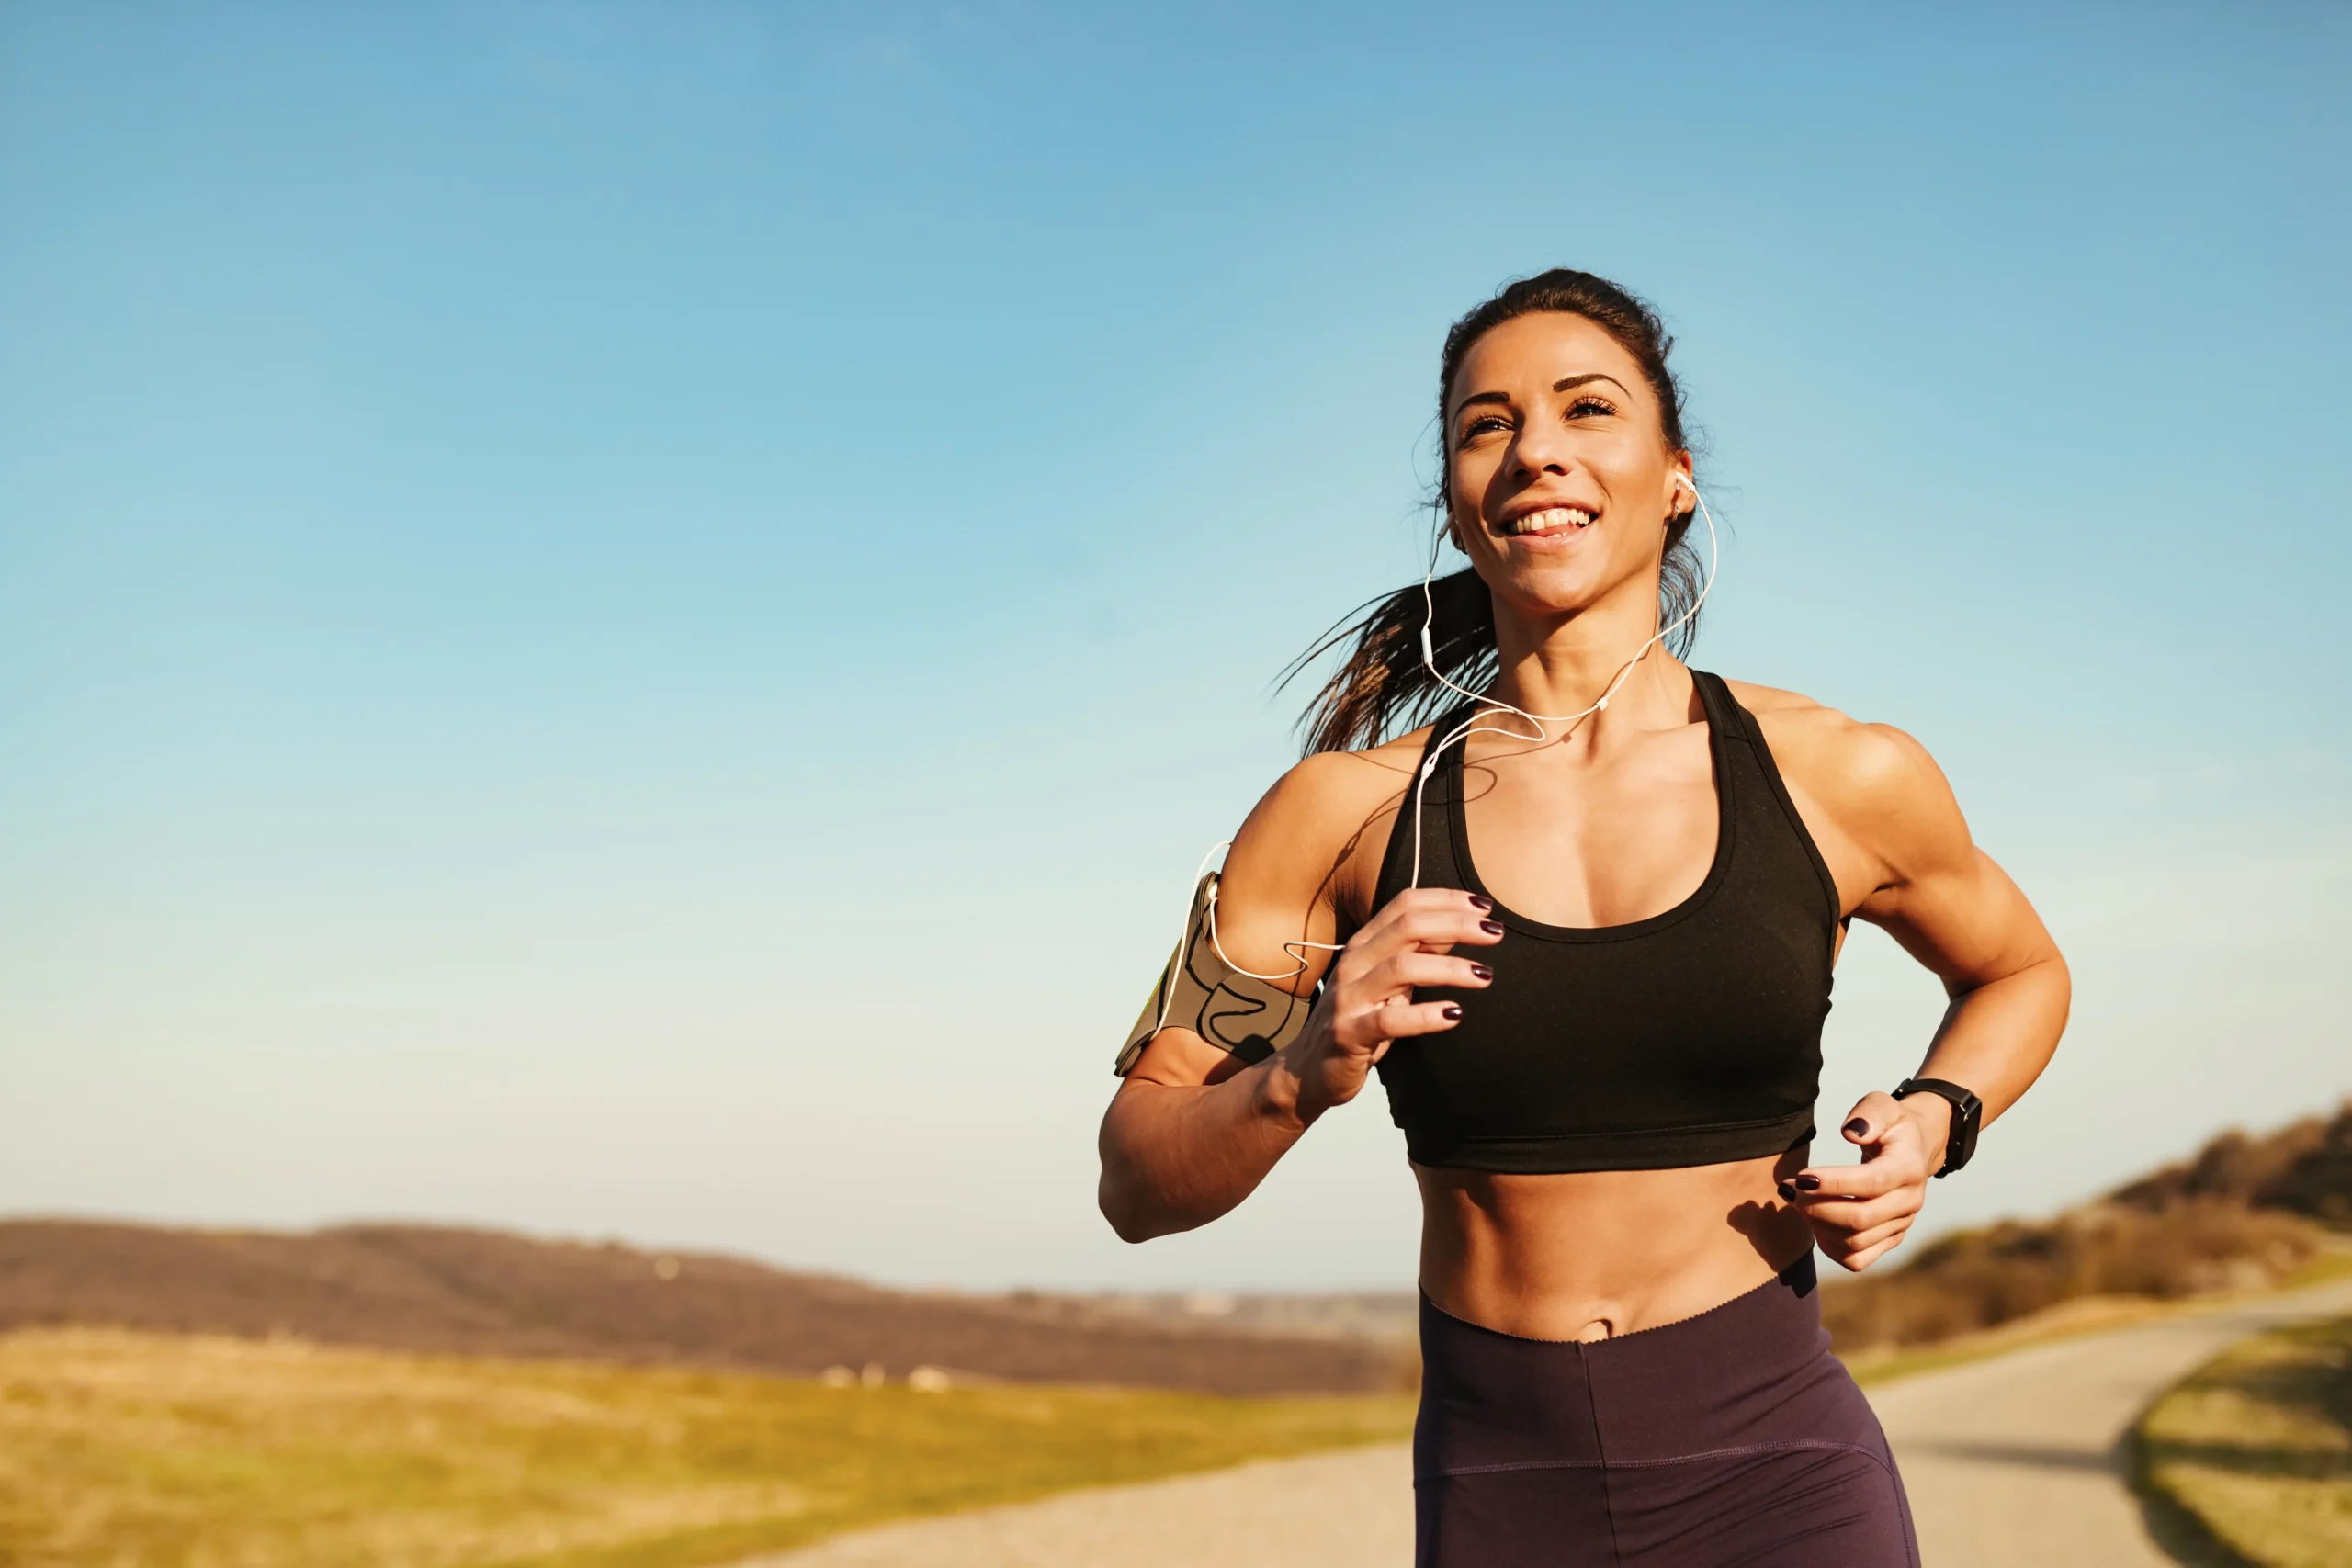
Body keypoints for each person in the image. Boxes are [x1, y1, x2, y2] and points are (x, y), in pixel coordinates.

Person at [1095, 269, 2070, 1567]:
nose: (1534, 447)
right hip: (1503, 1481)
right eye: (1484, 424)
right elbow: (1135, 1180)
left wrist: (1939, 1117)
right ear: (1456, 500)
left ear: (1675, 475)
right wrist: (1301, 1068)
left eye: (1586, 407)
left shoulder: (1842, 773)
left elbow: (2021, 969)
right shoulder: (1337, 815)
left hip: (1779, 1463)